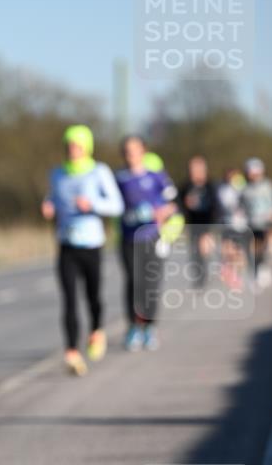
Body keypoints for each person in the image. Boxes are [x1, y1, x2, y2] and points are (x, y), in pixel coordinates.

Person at [42, 125, 123, 375]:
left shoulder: (98, 172)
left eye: (77, 145)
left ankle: (97, 330)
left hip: (91, 243)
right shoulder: (57, 174)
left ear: (86, 147)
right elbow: (53, 198)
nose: (72, 150)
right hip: (66, 244)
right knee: (68, 300)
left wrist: (92, 205)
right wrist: (48, 206)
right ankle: (71, 352)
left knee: (92, 297)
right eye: (69, 145)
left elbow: (116, 206)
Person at [115, 135, 178, 351]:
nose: (130, 154)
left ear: (143, 151)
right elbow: (110, 205)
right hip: (128, 238)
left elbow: (174, 204)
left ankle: (149, 328)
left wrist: (162, 212)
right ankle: (133, 327)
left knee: (150, 284)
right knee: (133, 282)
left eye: (134, 149)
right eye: (126, 150)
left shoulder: (156, 177)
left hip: (151, 237)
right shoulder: (119, 178)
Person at [240, 157, 272, 288]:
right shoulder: (245, 189)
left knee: (266, 246)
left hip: (267, 222)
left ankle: (263, 266)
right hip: (252, 223)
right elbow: (242, 206)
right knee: (254, 247)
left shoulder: (268, 186)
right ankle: (256, 269)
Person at [180, 156, 218, 287]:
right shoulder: (186, 186)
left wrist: (211, 229)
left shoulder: (211, 186)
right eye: (192, 168)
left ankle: (204, 276)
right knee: (195, 251)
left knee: (204, 250)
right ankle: (198, 276)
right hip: (192, 224)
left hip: (207, 223)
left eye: (197, 168)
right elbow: (179, 205)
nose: (194, 171)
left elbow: (216, 207)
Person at [216, 168, 249, 291]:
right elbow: (226, 205)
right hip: (228, 225)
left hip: (242, 226)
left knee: (240, 255)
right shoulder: (224, 190)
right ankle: (227, 271)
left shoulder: (243, 188)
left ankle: (237, 277)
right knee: (228, 251)